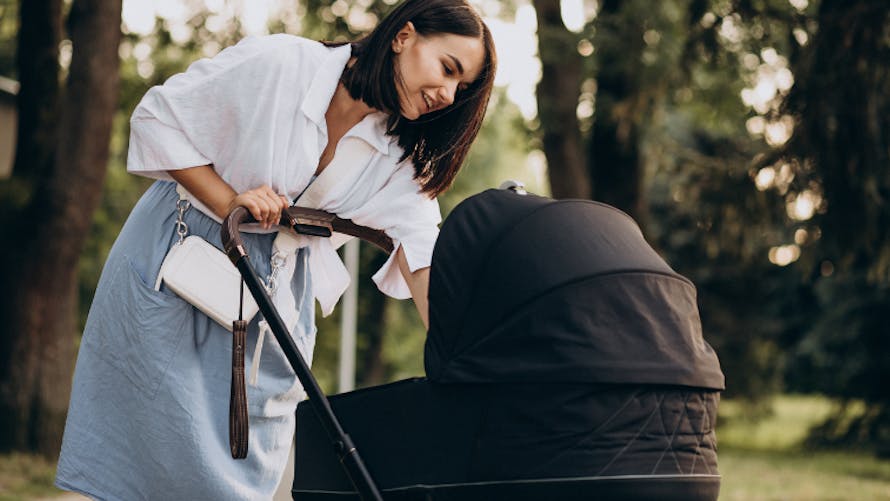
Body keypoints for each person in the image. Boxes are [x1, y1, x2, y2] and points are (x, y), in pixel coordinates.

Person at [55, 0, 496, 498]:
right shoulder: (283, 65)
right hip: (184, 258)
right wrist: (230, 201)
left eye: (461, 88)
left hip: (273, 299)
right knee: (134, 464)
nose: (448, 93)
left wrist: (463, 365)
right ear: (404, 36)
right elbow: (157, 118)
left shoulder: (399, 156)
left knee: (242, 475)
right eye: (448, 68)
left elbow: (422, 256)